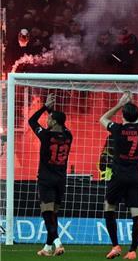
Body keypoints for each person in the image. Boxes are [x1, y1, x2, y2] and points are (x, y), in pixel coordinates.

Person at [99, 92, 138, 260]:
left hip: (119, 176)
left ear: (123, 115)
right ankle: (132, 250)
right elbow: (137, 118)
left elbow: (103, 118)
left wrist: (120, 104)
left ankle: (115, 246)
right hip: (135, 176)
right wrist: (131, 104)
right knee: (136, 213)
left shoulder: (117, 130)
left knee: (109, 207)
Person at [28, 93, 72, 256]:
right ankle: (47, 248)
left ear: (53, 122)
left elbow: (32, 121)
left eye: (49, 118)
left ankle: (58, 242)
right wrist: (53, 112)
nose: (46, 120)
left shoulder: (46, 135)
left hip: (46, 179)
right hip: (61, 179)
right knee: (53, 214)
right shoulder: (68, 136)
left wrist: (46, 107)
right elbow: (62, 126)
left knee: (47, 213)